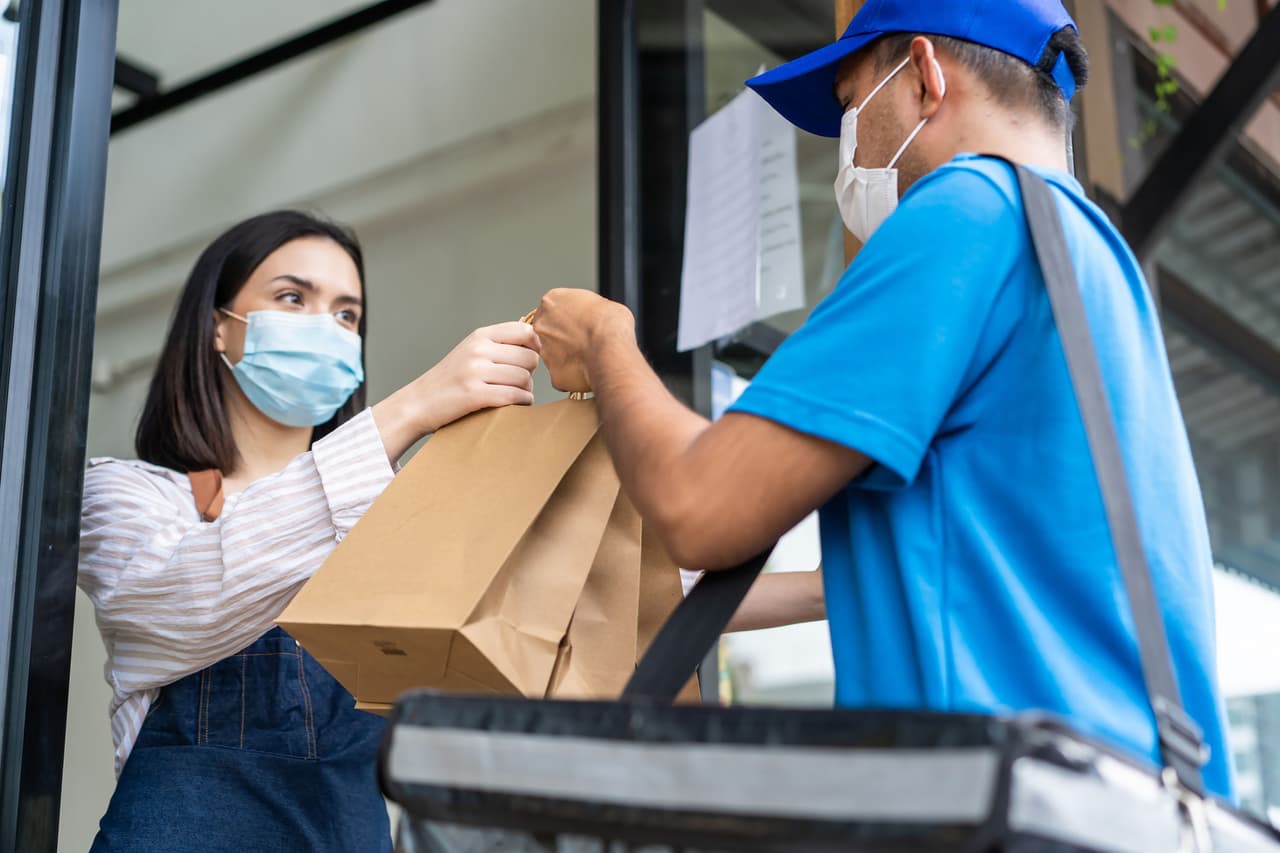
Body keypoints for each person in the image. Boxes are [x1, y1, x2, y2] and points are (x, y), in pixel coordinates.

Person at [533, 0, 1236, 800]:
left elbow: (697, 504)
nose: (849, 142)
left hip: (994, 809)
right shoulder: (1093, 266)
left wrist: (604, 337)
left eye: (849, 104)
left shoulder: (967, 213)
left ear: (926, 77)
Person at [78, 210, 542, 851]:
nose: (326, 326)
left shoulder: (394, 521)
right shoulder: (125, 494)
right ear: (218, 327)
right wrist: (407, 410)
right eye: (293, 298)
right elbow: (183, 598)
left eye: (347, 315)